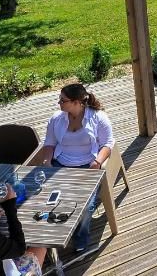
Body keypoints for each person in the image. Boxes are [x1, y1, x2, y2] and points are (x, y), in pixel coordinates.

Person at [34, 84, 114, 252]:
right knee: (44, 198)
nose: (59, 103)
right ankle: (49, 234)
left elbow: (108, 144)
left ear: (77, 102)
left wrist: (97, 162)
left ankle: (80, 238)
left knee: (85, 206)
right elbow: (49, 143)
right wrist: (47, 161)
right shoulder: (57, 118)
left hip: (87, 166)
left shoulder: (98, 118)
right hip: (60, 164)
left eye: (63, 100)